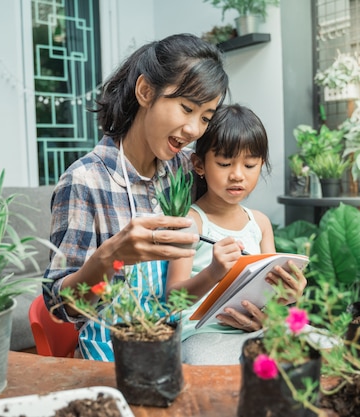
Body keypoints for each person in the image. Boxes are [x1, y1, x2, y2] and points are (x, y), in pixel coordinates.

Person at [42, 33, 230, 361]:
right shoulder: (85, 181)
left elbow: (221, 237)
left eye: (205, 117)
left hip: (176, 348)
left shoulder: (186, 171)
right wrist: (112, 257)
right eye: (186, 108)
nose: (194, 130)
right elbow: (61, 308)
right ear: (145, 92)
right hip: (110, 359)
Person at [165, 104, 308, 365]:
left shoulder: (260, 223)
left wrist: (288, 296)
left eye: (250, 165)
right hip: (201, 335)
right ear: (199, 165)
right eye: (224, 163)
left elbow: (270, 291)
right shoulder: (191, 222)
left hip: (254, 330)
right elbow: (173, 299)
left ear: (261, 165)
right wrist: (213, 273)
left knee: (311, 348)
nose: (237, 175)